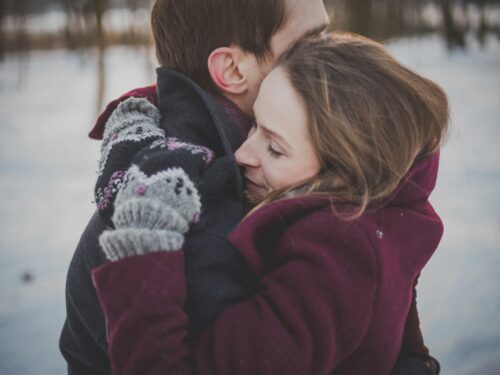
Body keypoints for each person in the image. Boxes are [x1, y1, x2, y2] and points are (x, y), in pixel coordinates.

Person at [91, 33, 449, 374]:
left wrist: (144, 244)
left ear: (345, 173)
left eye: (275, 148)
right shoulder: (383, 213)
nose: (243, 154)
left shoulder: (337, 261)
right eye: (254, 125)